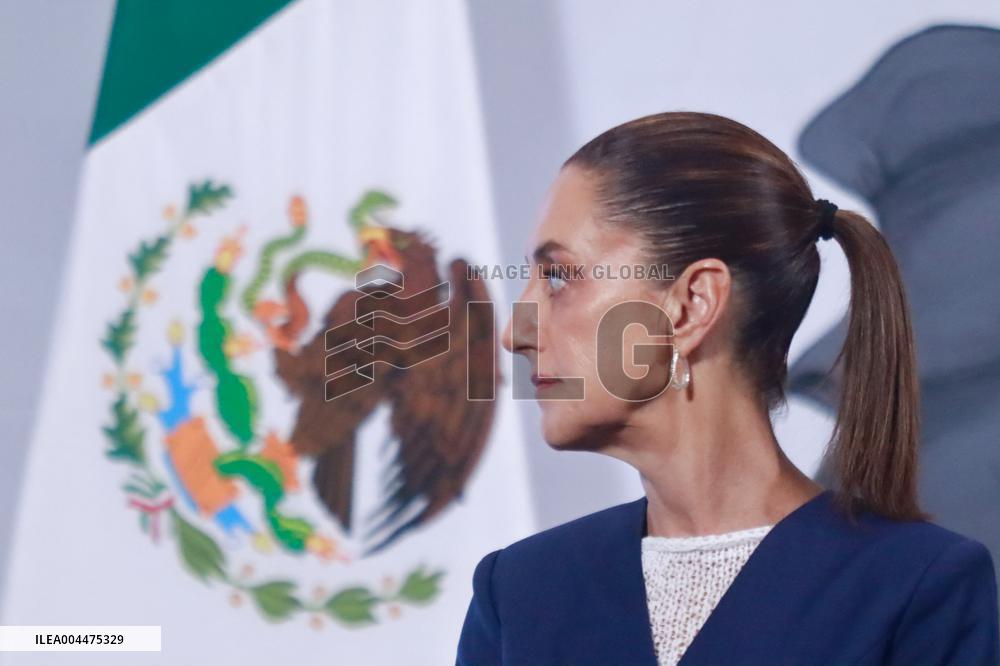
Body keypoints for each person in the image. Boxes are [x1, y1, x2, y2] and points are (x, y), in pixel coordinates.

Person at [454, 111, 999, 666]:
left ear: (691, 306)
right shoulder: (520, 593)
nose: (512, 334)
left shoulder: (917, 589)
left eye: (558, 277)